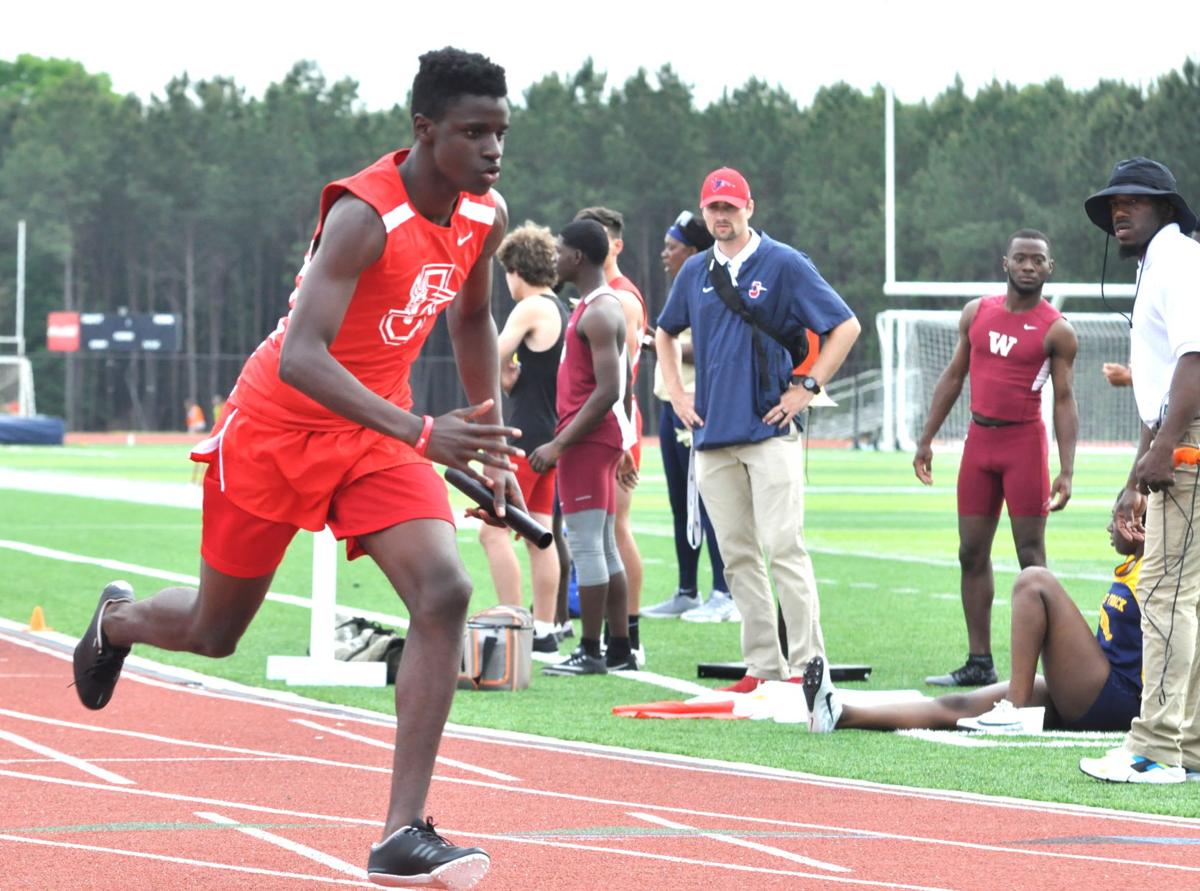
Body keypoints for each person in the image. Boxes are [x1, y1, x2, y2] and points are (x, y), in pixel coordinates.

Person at [72, 48, 519, 886]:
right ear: (424, 131)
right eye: (474, 132)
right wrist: (425, 431)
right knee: (216, 630)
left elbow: (472, 318)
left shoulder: (483, 213)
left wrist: (488, 441)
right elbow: (301, 358)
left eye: (501, 132)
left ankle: (401, 831)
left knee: (446, 590)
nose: (493, 149)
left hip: (376, 431)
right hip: (279, 425)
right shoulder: (363, 215)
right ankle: (120, 619)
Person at [655, 166, 860, 693]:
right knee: (739, 556)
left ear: (750, 207)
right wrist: (676, 392)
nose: (721, 216)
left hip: (769, 431)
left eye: (730, 207)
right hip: (713, 436)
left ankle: (807, 666)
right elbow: (664, 330)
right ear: (704, 212)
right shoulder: (695, 269)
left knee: (784, 547)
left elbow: (846, 326)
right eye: (713, 208)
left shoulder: (785, 263)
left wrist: (806, 388)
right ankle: (762, 667)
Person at [804, 503, 1144, 735]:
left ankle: (1013, 710)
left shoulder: (1159, 572)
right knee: (962, 705)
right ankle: (839, 714)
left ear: (1137, 525)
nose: (1107, 527)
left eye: (1115, 518)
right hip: (1098, 685)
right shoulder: (1135, 566)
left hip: (1120, 698)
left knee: (1034, 582)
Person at [1078, 156, 1200, 785]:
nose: (1120, 212)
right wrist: (1133, 477)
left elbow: (1196, 358)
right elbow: (1160, 385)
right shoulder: (1161, 264)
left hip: (1189, 443)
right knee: (1184, 597)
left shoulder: (1178, 260)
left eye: (1134, 201)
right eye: (1112, 205)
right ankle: (1191, 743)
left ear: (1167, 208)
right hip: (1177, 439)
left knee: (1162, 593)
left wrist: (1167, 446)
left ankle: (1155, 748)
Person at [914, 230, 1079, 687]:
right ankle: (979, 661)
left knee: (1032, 557)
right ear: (1005, 263)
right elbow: (952, 376)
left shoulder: (1057, 329)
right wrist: (926, 438)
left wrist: (1066, 468)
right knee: (970, 552)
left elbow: (1064, 400)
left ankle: (1054, 671)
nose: (1029, 266)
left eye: (1038, 260)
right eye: (1021, 258)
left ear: (1050, 269)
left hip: (1024, 446)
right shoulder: (977, 313)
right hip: (978, 445)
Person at [532, 219, 638, 676]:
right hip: (599, 438)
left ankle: (591, 650)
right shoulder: (596, 306)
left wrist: (559, 444)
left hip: (587, 440)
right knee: (604, 547)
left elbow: (610, 389)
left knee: (588, 548)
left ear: (577, 257)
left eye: (559, 250)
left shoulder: (598, 311)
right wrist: (627, 442)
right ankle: (618, 648)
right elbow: (624, 383)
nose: (554, 257)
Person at [642, 210, 736, 622]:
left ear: (694, 251)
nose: (664, 254)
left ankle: (724, 591)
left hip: (699, 404)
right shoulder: (684, 283)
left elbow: (711, 346)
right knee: (681, 502)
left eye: (671, 247)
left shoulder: (713, 283)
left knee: (710, 501)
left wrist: (658, 345)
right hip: (672, 401)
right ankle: (687, 589)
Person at [483, 222, 568, 653]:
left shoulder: (530, 307)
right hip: (550, 432)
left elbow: (489, 353)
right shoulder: (561, 307)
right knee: (540, 534)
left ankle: (513, 625)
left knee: (492, 531)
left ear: (516, 270)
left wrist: (500, 374)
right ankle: (546, 630)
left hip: (524, 434)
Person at [573, 206, 647, 662]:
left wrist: (622, 436)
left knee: (615, 528)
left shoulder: (620, 298)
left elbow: (623, 375)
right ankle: (610, 634)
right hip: (603, 420)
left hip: (616, 422)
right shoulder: (599, 294)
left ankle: (629, 635)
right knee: (599, 531)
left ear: (615, 245)